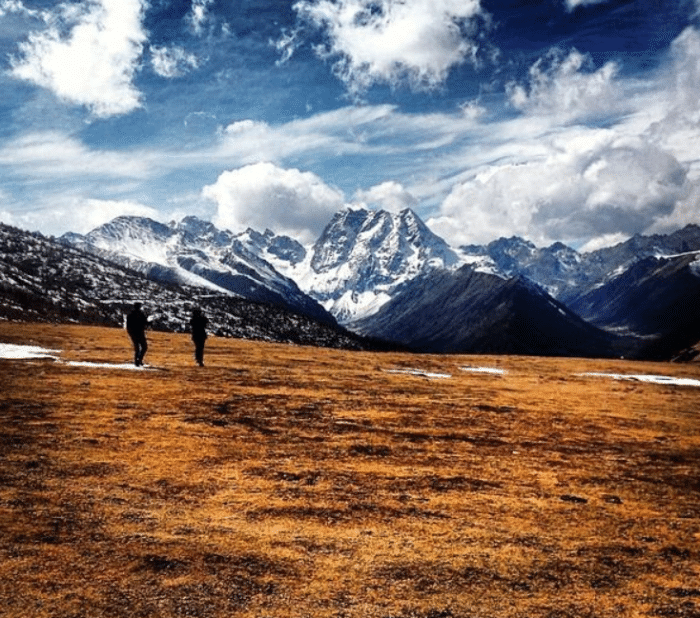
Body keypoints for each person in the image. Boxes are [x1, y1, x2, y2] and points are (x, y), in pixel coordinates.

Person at [125, 302, 148, 367]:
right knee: (140, 348)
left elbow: (145, 322)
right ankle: (137, 361)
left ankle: (139, 360)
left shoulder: (140, 314)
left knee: (143, 347)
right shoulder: (132, 315)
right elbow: (128, 326)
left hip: (139, 333)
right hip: (136, 333)